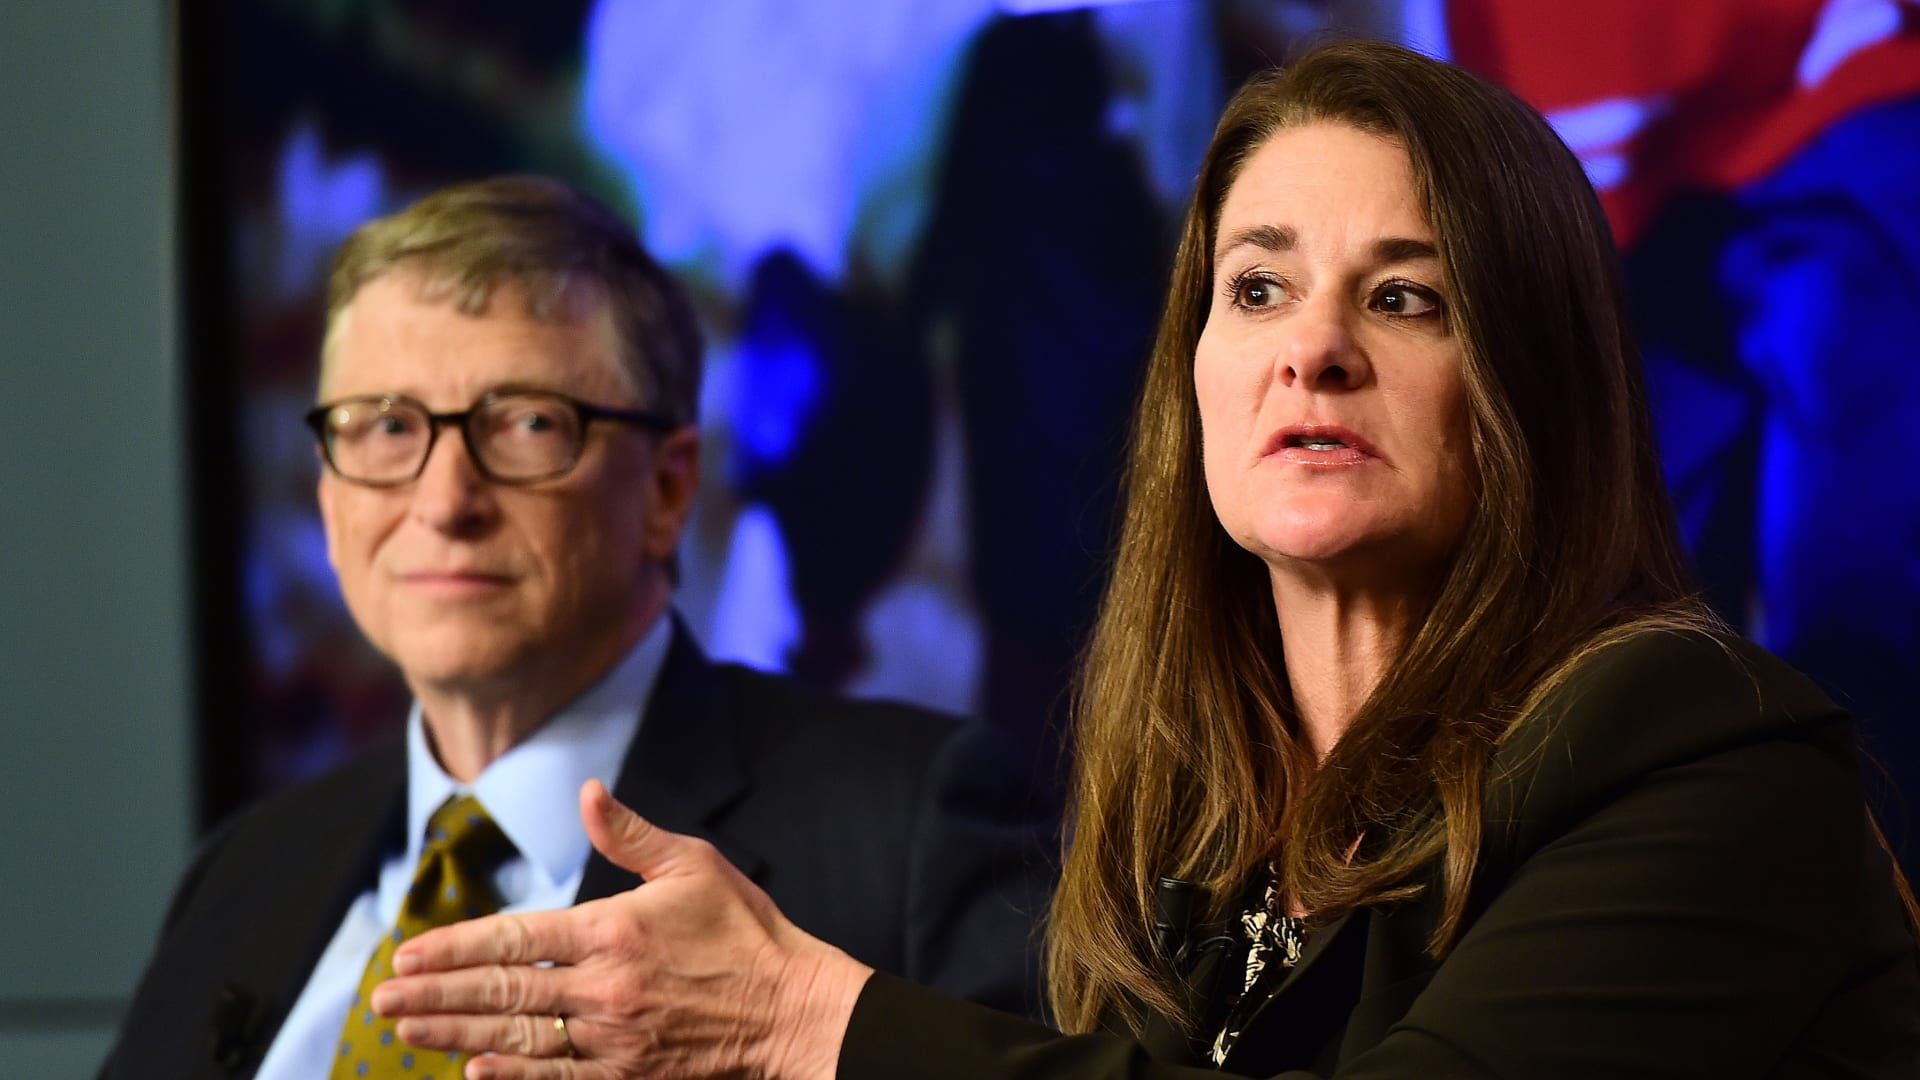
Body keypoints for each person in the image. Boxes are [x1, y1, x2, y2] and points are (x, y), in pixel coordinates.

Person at [368, 42, 1920, 1078]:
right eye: (1257, 290)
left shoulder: (1708, 762)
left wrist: (812, 1019)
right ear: (1193, 376)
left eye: (1404, 298)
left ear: (1538, 382)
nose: (1312, 349)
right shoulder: (1203, 830)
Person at [101, 177, 1050, 1079]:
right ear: (328, 490)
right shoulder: (242, 874)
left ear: (667, 491)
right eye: (387, 427)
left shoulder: (914, 830)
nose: (444, 501)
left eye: (526, 424)